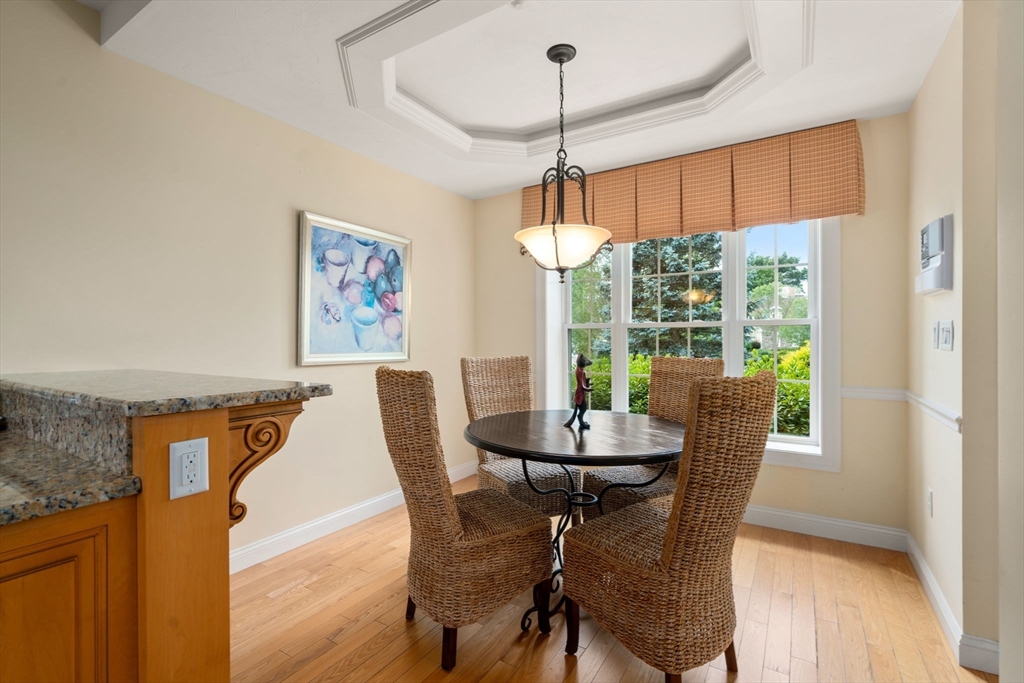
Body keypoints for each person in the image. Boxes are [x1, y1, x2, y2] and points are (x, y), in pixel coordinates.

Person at [564, 354, 593, 430]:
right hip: (580, 394)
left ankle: (581, 421)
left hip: (580, 393)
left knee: (582, 408)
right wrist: (588, 389)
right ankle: (581, 421)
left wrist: (587, 383)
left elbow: (583, 383)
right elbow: (581, 385)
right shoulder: (580, 371)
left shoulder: (580, 370)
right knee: (583, 408)